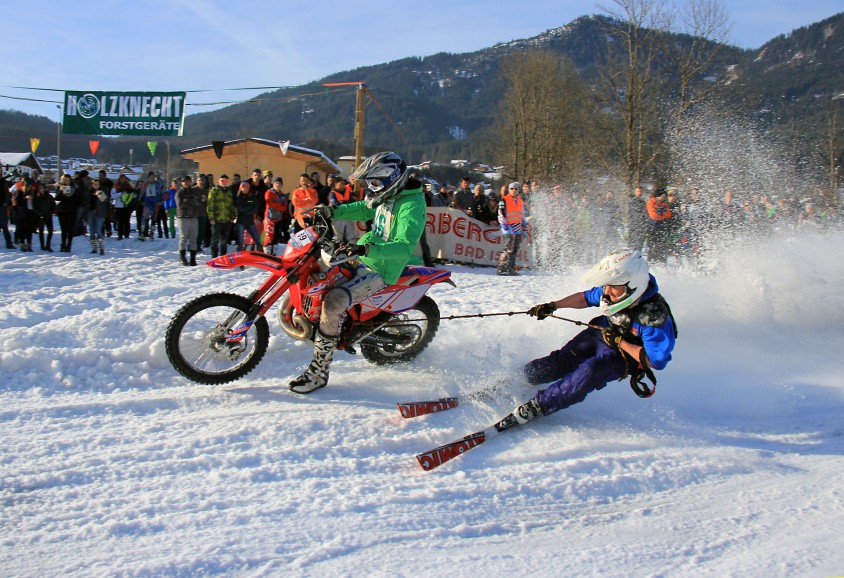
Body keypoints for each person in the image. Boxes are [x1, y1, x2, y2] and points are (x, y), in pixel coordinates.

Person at [288, 151, 426, 394]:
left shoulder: (412, 206)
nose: (370, 188)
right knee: (314, 274)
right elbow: (365, 208)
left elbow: (404, 246)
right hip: (364, 254)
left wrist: (364, 246)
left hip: (382, 268)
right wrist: (332, 212)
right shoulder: (391, 194)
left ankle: (319, 372)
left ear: (391, 178)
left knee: (333, 302)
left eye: (374, 182)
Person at [511, 248, 677, 425]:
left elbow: (655, 361)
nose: (606, 292)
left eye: (613, 287)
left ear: (633, 285)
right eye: (606, 285)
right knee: (562, 360)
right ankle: (522, 377)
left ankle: (540, 405)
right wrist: (553, 305)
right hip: (603, 333)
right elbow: (585, 298)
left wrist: (621, 343)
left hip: (625, 356)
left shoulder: (654, 318)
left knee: (590, 370)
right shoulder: (615, 288)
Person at [497, 181, 527, 275]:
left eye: (515, 189)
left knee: (515, 249)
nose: (513, 190)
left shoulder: (519, 200)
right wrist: (505, 229)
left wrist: (524, 228)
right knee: (508, 248)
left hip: (517, 228)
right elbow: (501, 215)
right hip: (509, 227)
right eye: (511, 188)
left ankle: (510, 267)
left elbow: (522, 215)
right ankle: (501, 267)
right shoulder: (504, 200)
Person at [206, 174, 237, 258]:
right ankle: (214, 256)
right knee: (215, 239)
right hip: (217, 219)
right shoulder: (214, 191)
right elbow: (210, 205)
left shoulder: (229, 192)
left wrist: (233, 217)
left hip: (227, 220)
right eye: (222, 181)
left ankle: (223, 256)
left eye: (225, 181)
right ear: (219, 181)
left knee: (224, 240)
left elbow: (232, 205)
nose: (224, 182)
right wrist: (211, 217)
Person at [175, 176, 203, 265]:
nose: (186, 183)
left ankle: (193, 259)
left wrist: (188, 201)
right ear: (182, 183)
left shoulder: (194, 192)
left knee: (193, 238)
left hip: (194, 217)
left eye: (188, 181)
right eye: (184, 182)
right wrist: (190, 201)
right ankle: (182, 257)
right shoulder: (179, 193)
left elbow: (198, 203)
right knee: (183, 238)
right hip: (183, 217)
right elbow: (180, 205)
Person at [262, 176, 291, 255]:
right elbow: (270, 203)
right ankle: (267, 253)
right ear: (273, 184)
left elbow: (284, 207)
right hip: (269, 218)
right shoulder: (269, 192)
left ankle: (273, 253)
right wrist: (279, 204)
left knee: (277, 236)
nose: (278, 185)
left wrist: (276, 204)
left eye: (279, 183)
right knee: (269, 236)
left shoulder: (282, 195)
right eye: (276, 183)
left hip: (278, 218)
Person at [234, 181, 263, 252]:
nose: (245, 188)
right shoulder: (238, 198)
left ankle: (261, 255)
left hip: (250, 221)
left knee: (258, 240)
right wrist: (250, 208)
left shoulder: (252, 196)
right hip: (240, 222)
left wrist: (247, 209)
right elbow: (241, 209)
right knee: (240, 242)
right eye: (243, 187)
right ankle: (239, 256)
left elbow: (256, 208)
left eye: (247, 187)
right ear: (241, 188)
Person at [328, 177, 358, 243]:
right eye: (341, 184)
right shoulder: (332, 193)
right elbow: (335, 204)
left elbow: (353, 202)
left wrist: (342, 202)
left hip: (348, 217)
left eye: (344, 184)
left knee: (351, 236)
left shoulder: (348, 192)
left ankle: (352, 249)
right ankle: (336, 250)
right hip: (337, 218)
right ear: (336, 184)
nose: (343, 186)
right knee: (338, 238)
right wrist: (346, 203)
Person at [88, 179, 110, 255]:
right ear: (92, 185)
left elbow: (106, 200)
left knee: (98, 230)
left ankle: (101, 248)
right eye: (94, 184)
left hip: (99, 213)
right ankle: (94, 248)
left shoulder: (102, 191)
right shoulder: (88, 192)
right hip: (90, 212)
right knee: (91, 231)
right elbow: (85, 203)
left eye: (97, 184)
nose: (96, 186)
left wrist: (100, 195)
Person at [33, 182, 57, 251]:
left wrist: (50, 212)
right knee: (41, 231)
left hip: (48, 216)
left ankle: (48, 245)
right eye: (40, 189)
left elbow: (53, 206)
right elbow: (35, 207)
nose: (41, 190)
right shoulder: (36, 197)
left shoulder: (49, 197)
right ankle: (42, 245)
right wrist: (39, 213)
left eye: (42, 188)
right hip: (40, 216)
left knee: (50, 231)